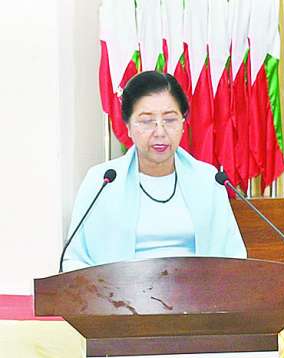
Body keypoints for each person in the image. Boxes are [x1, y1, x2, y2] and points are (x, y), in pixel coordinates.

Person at [62, 70, 246, 271]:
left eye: (170, 119)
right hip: (118, 290)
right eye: (146, 121)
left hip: (199, 289)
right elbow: (74, 260)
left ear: (183, 124)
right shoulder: (102, 182)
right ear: (128, 127)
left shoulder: (208, 179)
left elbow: (234, 258)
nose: (160, 132)